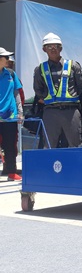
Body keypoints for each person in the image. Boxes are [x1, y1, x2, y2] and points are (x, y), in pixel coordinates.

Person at [33, 33, 82, 148]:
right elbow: (38, 89)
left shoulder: (73, 66)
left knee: (75, 144)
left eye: (55, 46)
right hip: (50, 112)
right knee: (49, 145)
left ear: (60, 48)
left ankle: (75, 166)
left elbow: (81, 86)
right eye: (49, 46)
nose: (52, 49)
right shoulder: (40, 69)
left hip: (71, 111)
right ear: (43, 49)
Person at [0, 48, 24, 180]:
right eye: (5, 57)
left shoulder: (11, 74)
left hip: (10, 117)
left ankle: (11, 172)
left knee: (10, 145)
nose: (8, 60)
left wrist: (20, 112)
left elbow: (17, 94)